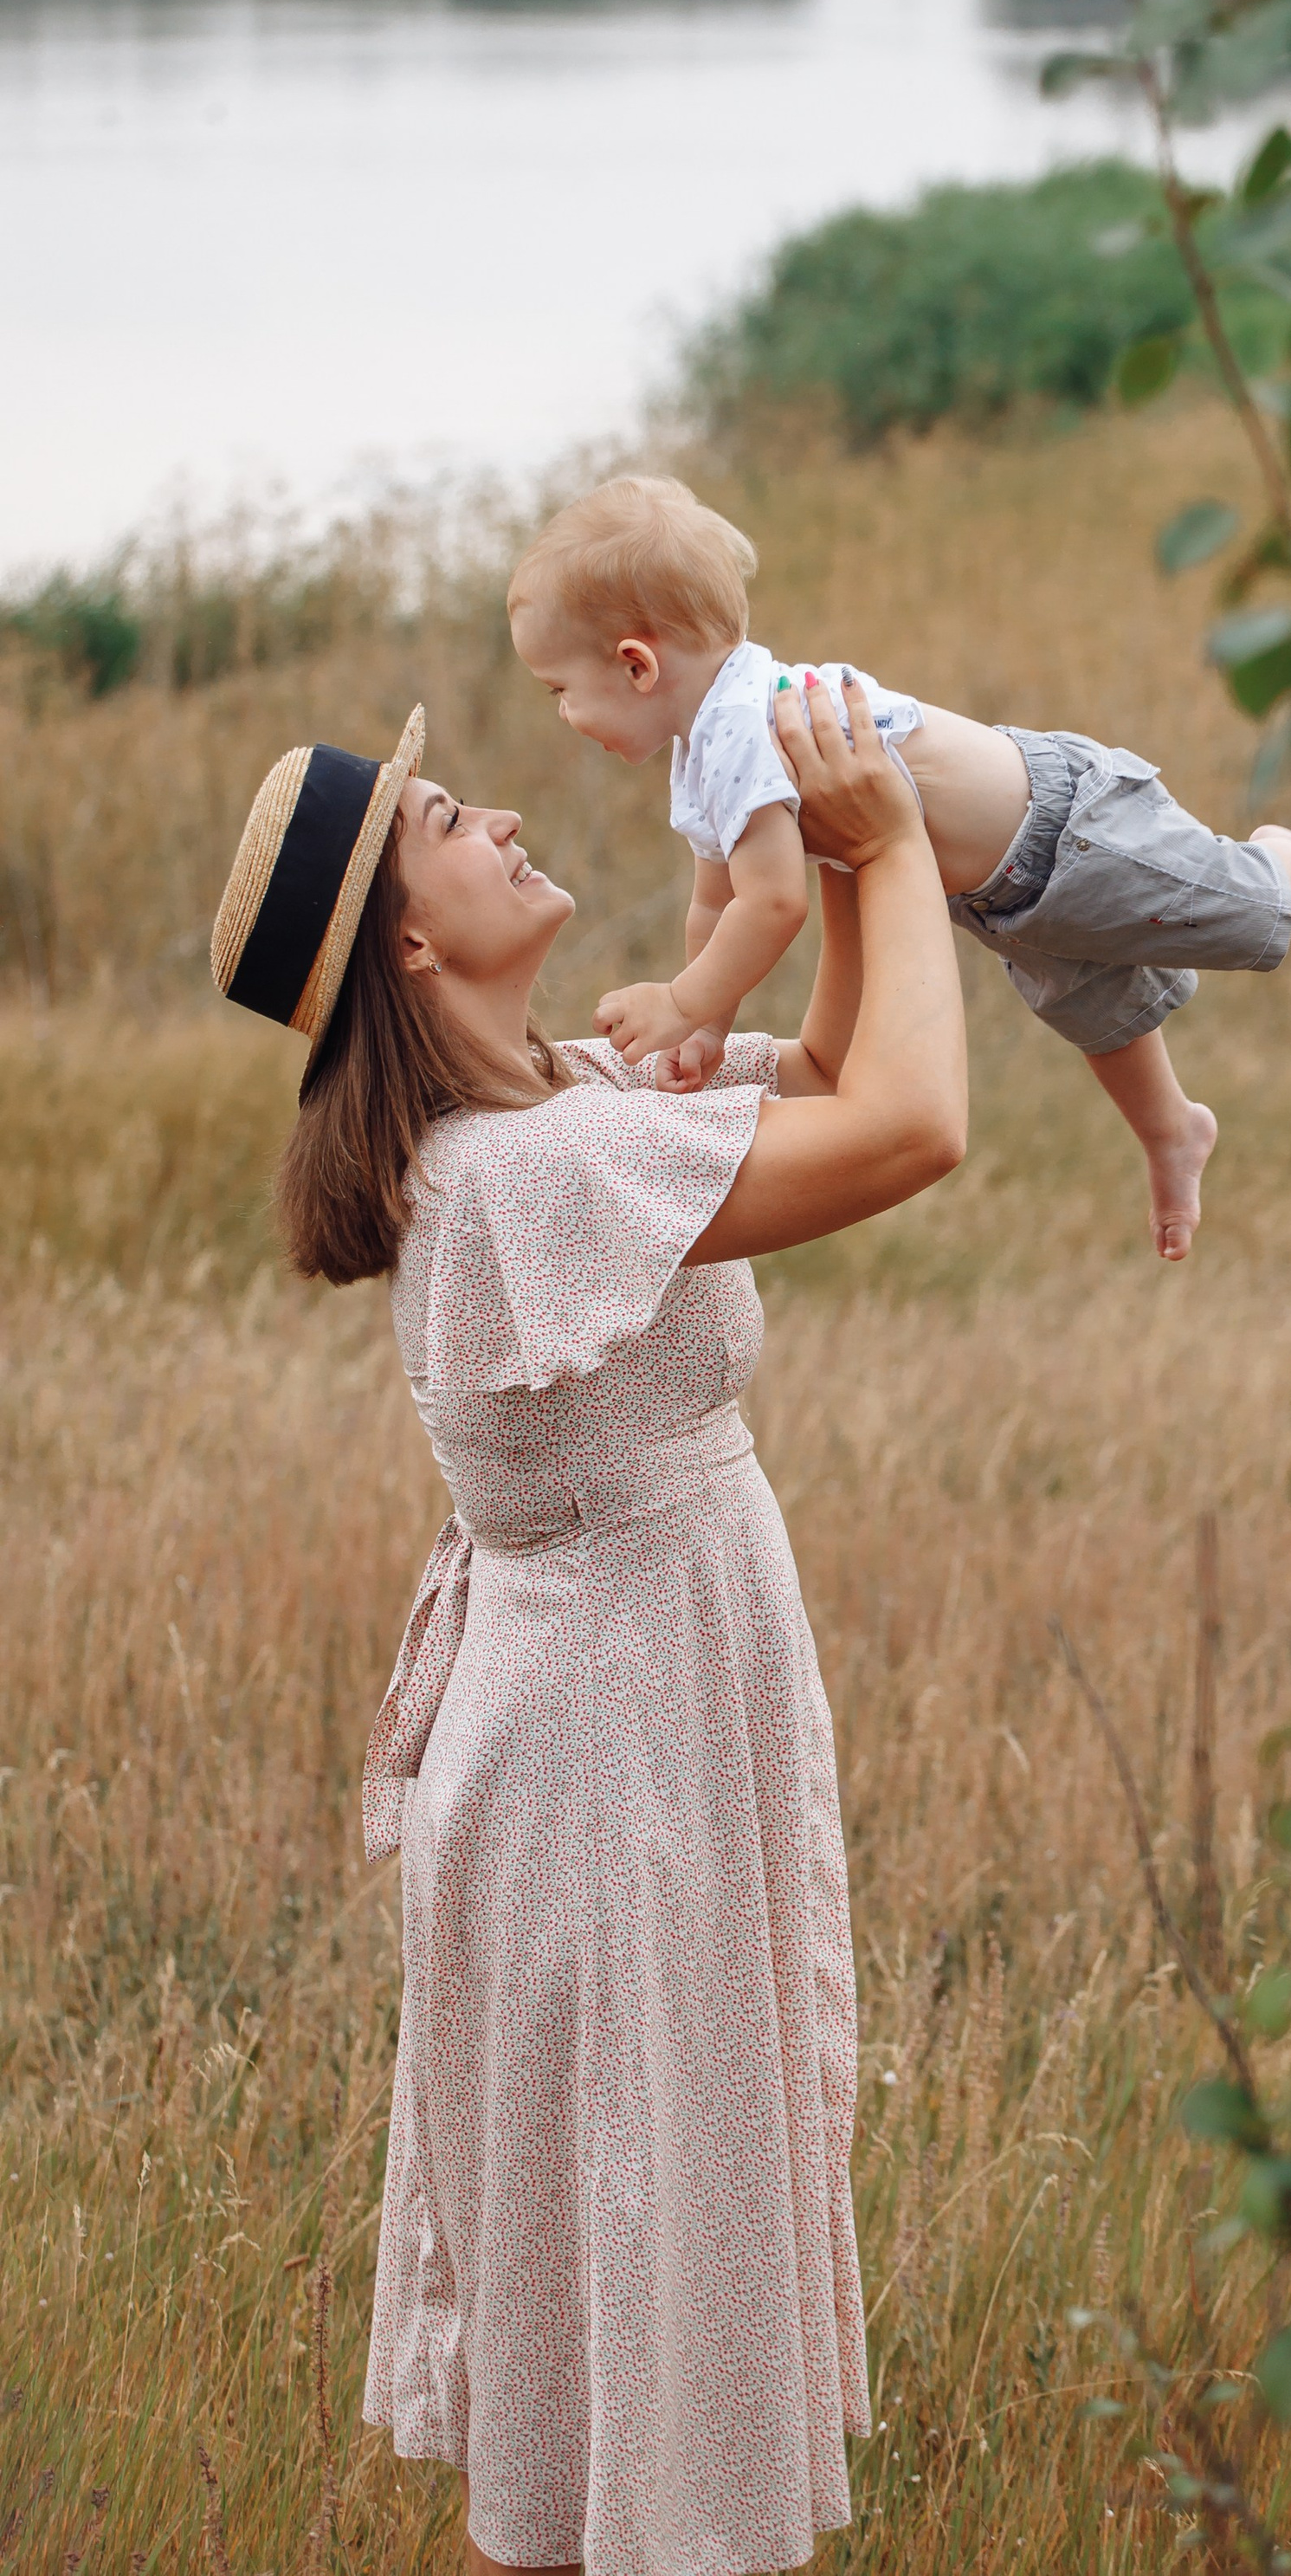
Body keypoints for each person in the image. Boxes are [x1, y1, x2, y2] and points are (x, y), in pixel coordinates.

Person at [209, 673, 965, 2576]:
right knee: (642, 2248)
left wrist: (840, 861)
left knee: (645, 2245)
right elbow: (914, 1129)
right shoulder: (518, 1180)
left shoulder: (573, 1101)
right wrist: (894, 848)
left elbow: (827, 1057)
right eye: (454, 817)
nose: (507, 823)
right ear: (404, 932)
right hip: (603, 1756)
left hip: (633, 1709)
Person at [506, 471, 1291, 1265]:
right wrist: (707, 1030)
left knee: (1246, 915)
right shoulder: (699, 751)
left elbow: (771, 907)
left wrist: (682, 1001)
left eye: (558, 690)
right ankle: (1172, 1129)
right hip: (996, 893)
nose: (564, 714)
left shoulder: (745, 724)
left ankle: (1288, 860)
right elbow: (714, 902)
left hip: (1068, 827)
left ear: (635, 664)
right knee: (1096, 1009)